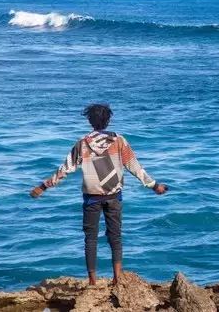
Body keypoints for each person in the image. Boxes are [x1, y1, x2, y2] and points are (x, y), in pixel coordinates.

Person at [29, 104, 168, 286]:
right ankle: (118, 278)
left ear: (89, 121)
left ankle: (93, 281)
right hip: (113, 196)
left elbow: (65, 169)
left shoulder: (83, 143)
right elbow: (135, 167)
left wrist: (44, 186)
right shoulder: (119, 141)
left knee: (90, 239)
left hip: (92, 198)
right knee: (115, 237)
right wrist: (154, 185)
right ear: (108, 120)